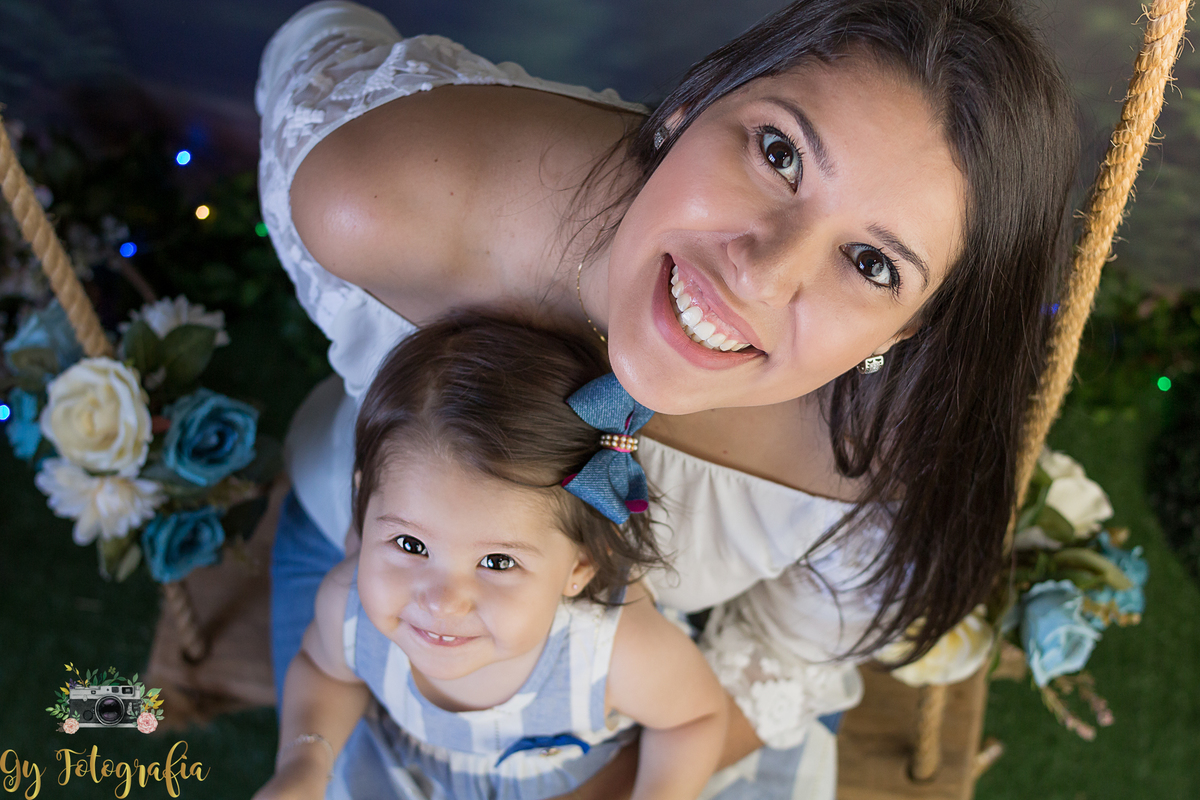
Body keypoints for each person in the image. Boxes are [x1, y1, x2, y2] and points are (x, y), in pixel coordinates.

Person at [256, 0, 1078, 796]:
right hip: (363, 569)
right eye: (779, 152)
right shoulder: (376, 193)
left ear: (904, 333)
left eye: (871, 264)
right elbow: (316, 39)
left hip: (635, 695)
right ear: (690, 103)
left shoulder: (886, 449)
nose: (758, 274)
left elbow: (789, 659)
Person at [254, 314, 727, 800]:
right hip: (417, 774)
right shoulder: (348, 608)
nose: (442, 602)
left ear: (579, 566)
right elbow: (324, 670)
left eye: (498, 562)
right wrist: (305, 761)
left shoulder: (614, 652)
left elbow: (695, 719)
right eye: (411, 545)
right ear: (365, 505)